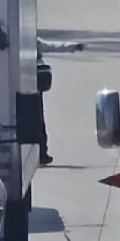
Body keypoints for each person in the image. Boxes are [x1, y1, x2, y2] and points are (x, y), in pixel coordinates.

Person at [36, 37, 85, 165]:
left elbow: (52, 45)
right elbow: (52, 46)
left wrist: (72, 46)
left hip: (29, 87)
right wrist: (73, 46)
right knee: (38, 121)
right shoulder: (32, 41)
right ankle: (41, 153)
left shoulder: (31, 41)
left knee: (37, 122)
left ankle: (41, 153)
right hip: (32, 87)